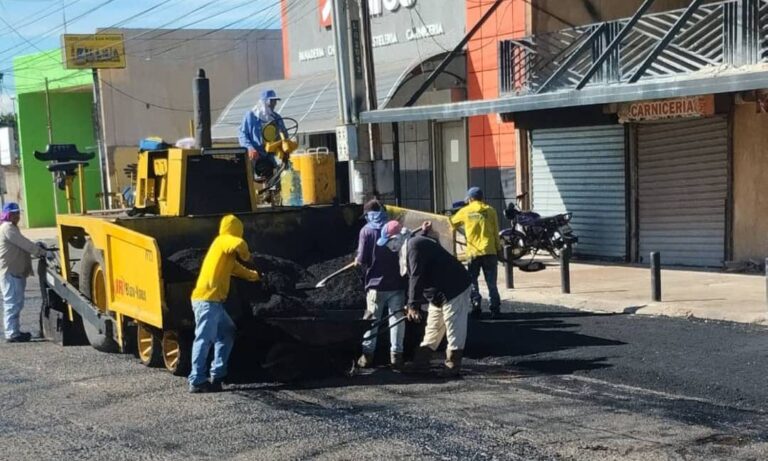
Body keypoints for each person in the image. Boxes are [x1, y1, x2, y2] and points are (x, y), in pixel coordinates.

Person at [378, 220, 472, 376]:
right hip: (437, 291)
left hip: (454, 287)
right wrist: (412, 303)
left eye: (388, 242)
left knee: (453, 325)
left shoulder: (413, 246)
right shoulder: (413, 243)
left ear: (396, 239)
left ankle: (453, 365)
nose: (389, 247)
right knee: (433, 326)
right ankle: (421, 361)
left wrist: (412, 305)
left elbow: (416, 276)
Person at [188, 214, 262, 393]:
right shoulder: (223, 241)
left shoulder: (225, 256)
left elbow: (237, 269)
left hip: (215, 303)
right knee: (204, 339)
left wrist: (255, 276)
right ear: (236, 231)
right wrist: (248, 256)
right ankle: (197, 380)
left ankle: (218, 375)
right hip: (206, 300)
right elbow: (239, 245)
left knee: (227, 332)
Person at [354, 200, 406, 370]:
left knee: (371, 322)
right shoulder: (395, 227)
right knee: (397, 321)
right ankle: (396, 357)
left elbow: (361, 260)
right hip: (397, 284)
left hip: (375, 285)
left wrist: (357, 260)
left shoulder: (366, 231)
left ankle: (367, 356)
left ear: (368, 214)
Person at [450, 187, 503, 318]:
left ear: (471, 198)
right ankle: (494, 308)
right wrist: (499, 249)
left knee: (473, 280)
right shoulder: (490, 211)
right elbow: (496, 232)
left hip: (473, 252)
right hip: (490, 250)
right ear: (482, 198)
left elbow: (450, 223)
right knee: (492, 282)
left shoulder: (465, 211)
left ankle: (476, 305)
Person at [0, 203, 45, 343]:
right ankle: (12, 334)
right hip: (10, 272)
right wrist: (42, 252)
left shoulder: (12, 228)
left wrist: (36, 247)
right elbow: (23, 244)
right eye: (14, 214)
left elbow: (23, 243)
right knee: (12, 303)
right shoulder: (7, 228)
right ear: (7, 215)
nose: (17, 216)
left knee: (16, 303)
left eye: (18, 213)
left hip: (16, 272)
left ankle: (14, 331)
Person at [237, 89, 287, 179]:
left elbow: (284, 135)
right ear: (264, 102)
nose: (274, 104)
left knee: (286, 165)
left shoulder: (276, 118)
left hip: (273, 152)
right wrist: (250, 148)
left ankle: (280, 187)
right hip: (257, 154)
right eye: (271, 101)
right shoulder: (251, 116)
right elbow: (243, 134)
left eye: (275, 101)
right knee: (260, 169)